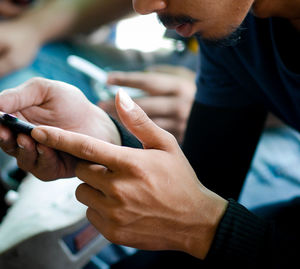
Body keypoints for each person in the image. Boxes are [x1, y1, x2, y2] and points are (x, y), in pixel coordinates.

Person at [0, 0, 299, 269]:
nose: (143, 7)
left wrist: (202, 227)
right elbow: (208, 184)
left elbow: (205, 213)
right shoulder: (236, 28)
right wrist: (109, 139)